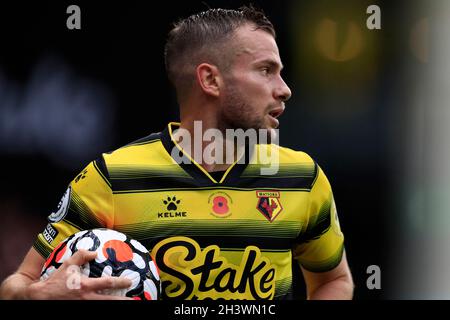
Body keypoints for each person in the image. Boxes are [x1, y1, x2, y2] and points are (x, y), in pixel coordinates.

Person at [0, 5, 354, 300]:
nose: (285, 89)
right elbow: (16, 285)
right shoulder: (111, 178)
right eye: (266, 71)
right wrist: (39, 294)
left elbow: (334, 280)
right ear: (210, 80)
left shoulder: (303, 179)